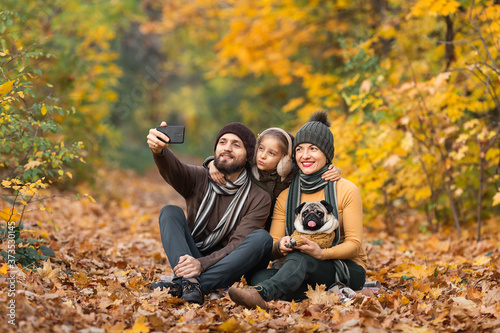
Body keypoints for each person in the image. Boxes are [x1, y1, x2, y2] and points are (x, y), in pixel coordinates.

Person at [227, 111, 368, 309]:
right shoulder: (286, 195)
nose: (305, 155)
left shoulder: (345, 189)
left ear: (326, 154)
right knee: (256, 275)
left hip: (345, 268)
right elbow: (273, 245)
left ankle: (263, 294)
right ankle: (319, 294)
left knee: (301, 257)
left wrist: (322, 254)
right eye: (300, 149)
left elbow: (354, 244)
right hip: (297, 265)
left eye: (313, 149)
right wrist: (281, 246)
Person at [146, 121, 273, 305]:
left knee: (261, 239)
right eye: (222, 142)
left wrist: (202, 264)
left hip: (226, 267)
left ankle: (186, 285)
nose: (227, 148)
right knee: (170, 211)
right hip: (191, 254)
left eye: (236, 145)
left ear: (248, 155)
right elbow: (173, 169)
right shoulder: (200, 177)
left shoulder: (259, 197)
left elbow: (238, 244)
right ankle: (190, 282)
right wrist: (159, 151)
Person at [206, 127, 341, 231]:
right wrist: (211, 163)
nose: (262, 156)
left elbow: (314, 170)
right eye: (261, 149)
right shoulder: (249, 168)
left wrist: (334, 170)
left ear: (285, 160)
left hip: (280, 227)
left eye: (271, 153)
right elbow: (230, 161)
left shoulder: (293, 174)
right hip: (249, 225)